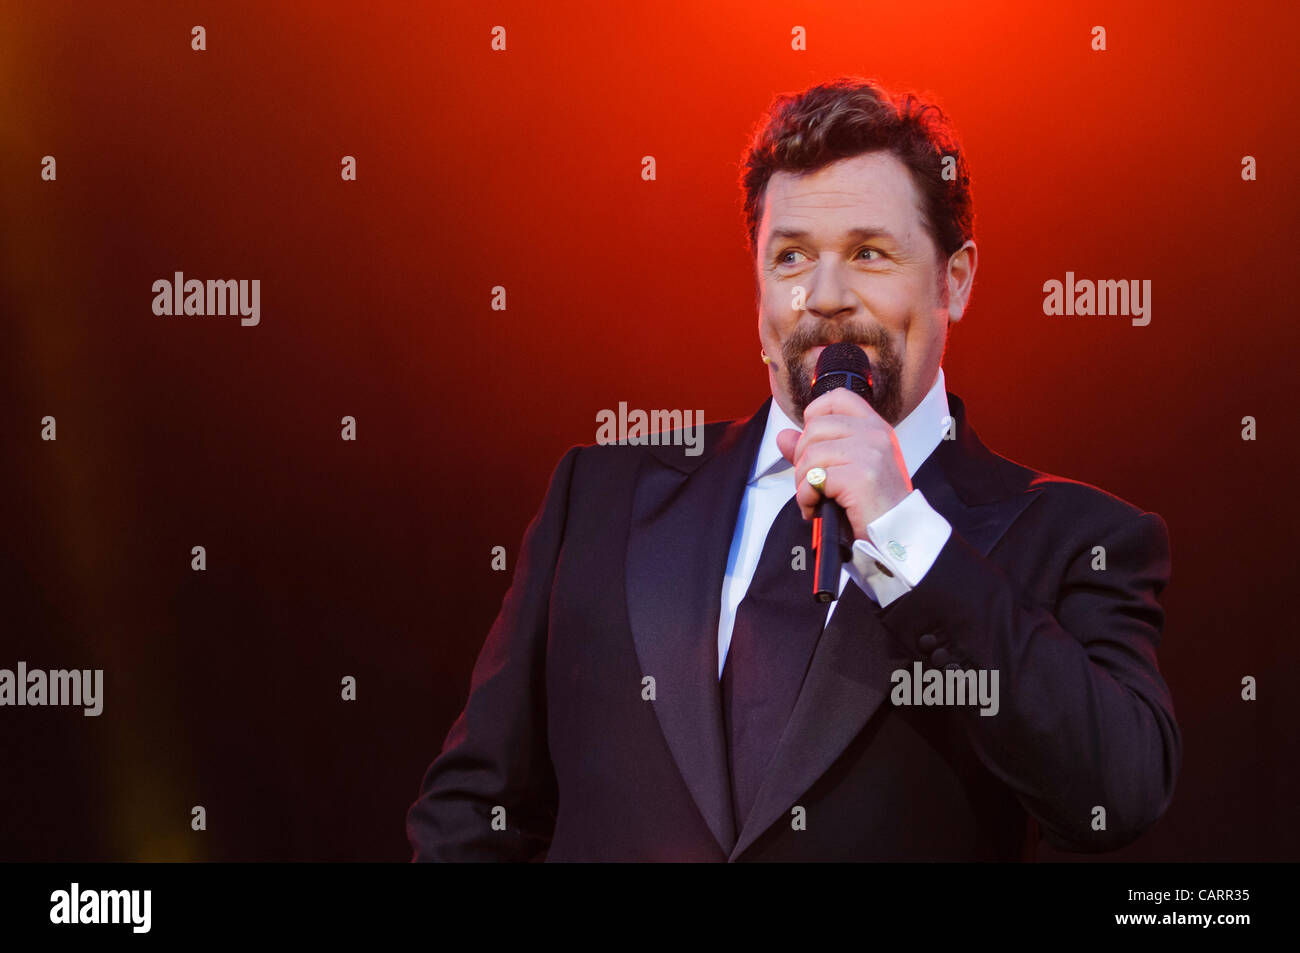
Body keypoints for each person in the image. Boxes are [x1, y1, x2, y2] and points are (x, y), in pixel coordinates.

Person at [405, 77, 1180, 861]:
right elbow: (474, 813)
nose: (827, 296)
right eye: (792, 256)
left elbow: (1115, 794)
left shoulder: (1076, 537)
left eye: (869, 253)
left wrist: (906, 533)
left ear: (957, 279)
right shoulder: (597, 497)